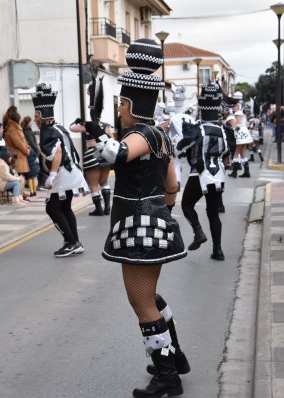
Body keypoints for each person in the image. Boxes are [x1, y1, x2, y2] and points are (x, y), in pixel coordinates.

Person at [100, 39, 189, 398]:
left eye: (121, 103)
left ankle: (167, 377)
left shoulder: (140, 134)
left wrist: (97, 135)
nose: (119, 109)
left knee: (141, 303)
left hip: (136, 226)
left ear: (132, 103)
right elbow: (172, 185)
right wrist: (164, 214)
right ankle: (175, 357)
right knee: (151, 296)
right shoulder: (162, 135)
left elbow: (116, 155)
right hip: (153, 223)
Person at [32, 83, 89, 257]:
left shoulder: (47, 131)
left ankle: (71, 242)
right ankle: (74, 242)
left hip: (64, 172)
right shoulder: (59, 126)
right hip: (72, 171)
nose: (34, 119)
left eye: (36, 115)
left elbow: (57, 153)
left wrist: (52, 174)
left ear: (41, 115)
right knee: (64, 208)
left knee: (53, 208)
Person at [179, 83, 232, 262]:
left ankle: (198, 232)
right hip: (218, 174)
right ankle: (218, 250)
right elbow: (227, 153)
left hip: (198, 174)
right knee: (213, 213)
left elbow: (181, 148)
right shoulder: (224, 130)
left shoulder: (195, 128)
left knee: (186, 205)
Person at [70, 75, 114, 216]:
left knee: (93, 183)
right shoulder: (106, 125)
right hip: (105, 153)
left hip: (92, 154)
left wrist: (78, 121)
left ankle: (99, 209)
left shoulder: (88, 125)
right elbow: (112, 138)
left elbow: (72, 128)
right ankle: (108, 207)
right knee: (104, 181)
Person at [4, 109, 32, 199]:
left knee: (20, 175)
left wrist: (28, 147)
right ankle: (19, 194)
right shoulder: (12, 129)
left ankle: (21, 192)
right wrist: (26, 150)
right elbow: (18, 143)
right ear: (18, 120)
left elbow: (23, 141)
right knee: (18, 174)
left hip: (20, 153)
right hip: (17, 154)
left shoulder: (16, 127)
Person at [20, 116, 41, 197]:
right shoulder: (27, 132)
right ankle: (33, 191)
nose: (31, 123)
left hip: (30, 165)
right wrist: (37, 151)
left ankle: (33, 191)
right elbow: (32, 142)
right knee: (32, 178)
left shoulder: (27, 131)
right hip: (32, 164)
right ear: (27, 123)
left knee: (31, 178)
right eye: (30, 122)